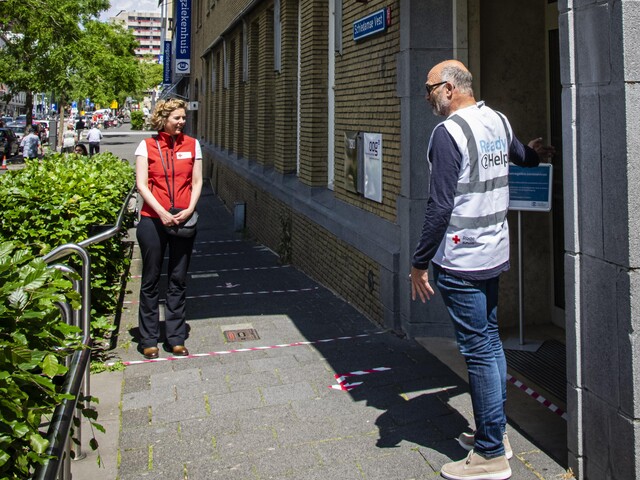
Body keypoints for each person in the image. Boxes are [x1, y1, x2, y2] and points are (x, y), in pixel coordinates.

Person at [409, 60, 554, 480]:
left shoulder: (447, 133)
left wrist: (420, 262)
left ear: (451, 88)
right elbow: (520, 156)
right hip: (492, 254)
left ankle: (489, 453)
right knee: (489, 344)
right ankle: (497, 433)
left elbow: (440, 206)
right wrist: (535, 154)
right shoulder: (497, 120)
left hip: (461, 260)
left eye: (430, 87)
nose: (427, 96)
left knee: (478, 351)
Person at [134, 98, 203, 359]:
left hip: (184, 219)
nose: (182, 122)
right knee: (151, 280)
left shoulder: (193, 145)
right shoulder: (147, 146)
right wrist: (161, 212)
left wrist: (189, 209)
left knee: (177, 279)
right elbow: (142, 184)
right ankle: (149, 339)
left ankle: (176, 337)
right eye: (177, 118)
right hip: (153, 219)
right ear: (163, 119)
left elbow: (196, 182)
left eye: (184, 118)